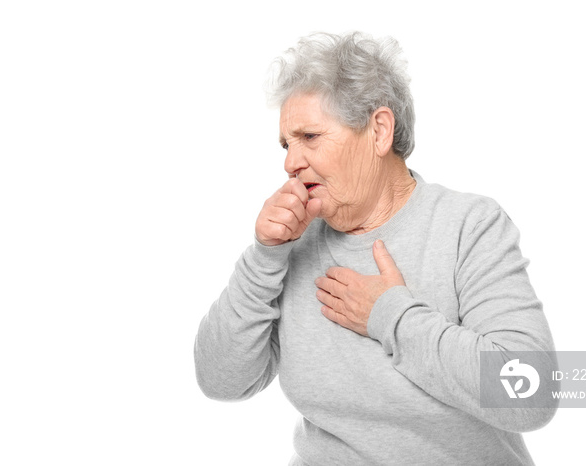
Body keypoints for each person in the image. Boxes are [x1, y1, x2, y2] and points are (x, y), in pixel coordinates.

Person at [194, 31, 557, 465]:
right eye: (286, 145)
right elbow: (221, 382)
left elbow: (530, 394)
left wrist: (391, 316)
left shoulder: (468, 226)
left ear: (379, 131)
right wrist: (264, 257)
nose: (290, 162)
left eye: (310, 136)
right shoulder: (292, 244)